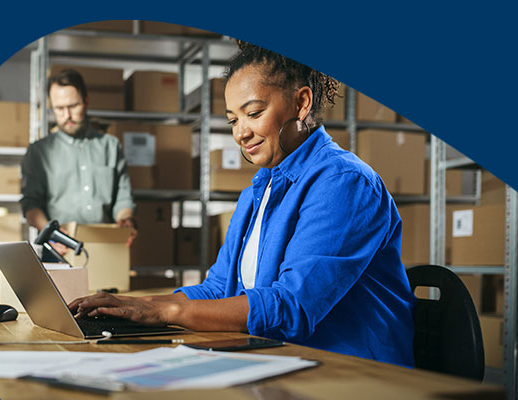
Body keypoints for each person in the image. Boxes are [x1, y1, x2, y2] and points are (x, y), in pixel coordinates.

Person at [69, 41, 415, 367]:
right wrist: (135, 306)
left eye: (253, 113)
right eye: (233, 120)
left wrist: (164, 313)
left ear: (302, 103)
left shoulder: (344, 183)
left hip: (353, 373)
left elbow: (291, 307)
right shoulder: (259, 189)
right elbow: (219, 289)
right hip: (282, 360)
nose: (240, 133)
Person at [21, 69, 137, 253]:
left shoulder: (111, 146)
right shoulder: (38, 152)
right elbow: (31, 204)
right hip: (58, 249)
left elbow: (123, 198)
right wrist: (50, 232)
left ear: (86, 101)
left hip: (106, 247)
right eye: (59, 109)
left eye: (73, 106)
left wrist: (126, 219)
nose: (66, 115)